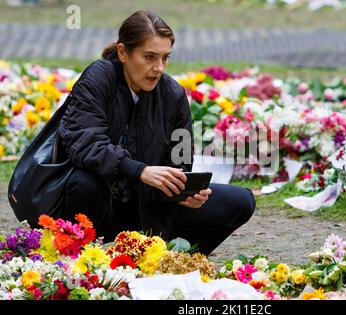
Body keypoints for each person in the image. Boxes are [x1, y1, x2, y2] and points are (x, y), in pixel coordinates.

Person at [56, 10, 256, 255]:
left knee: (240, 201)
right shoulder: (99, 77)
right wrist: (140, 171)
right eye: (149, 57)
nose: (158, 67)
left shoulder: (173, 94)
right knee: (85, 183)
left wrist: (186, 191)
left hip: (148, 209)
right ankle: (82, 256)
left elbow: (180, 162)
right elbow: (85, 145)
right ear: (123, 53)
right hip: (98, 204)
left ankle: (162, 257)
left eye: (165, 57)